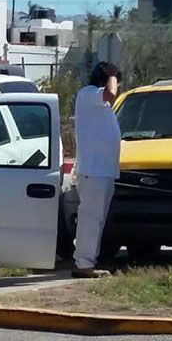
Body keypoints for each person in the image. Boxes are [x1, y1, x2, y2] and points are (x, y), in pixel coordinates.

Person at [72, 62, 121, 278]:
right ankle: (83, 263)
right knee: (90, 218)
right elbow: (111, 94)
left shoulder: (101, 105)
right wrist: (113, 75)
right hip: (93, 170)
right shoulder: (88, 94)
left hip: (104, 170)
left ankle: (89, 260)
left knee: (97, 218)